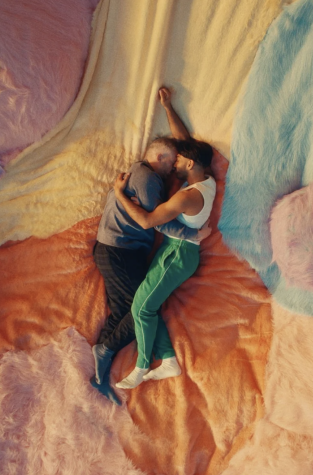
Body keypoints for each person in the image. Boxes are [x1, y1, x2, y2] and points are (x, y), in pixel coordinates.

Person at [91, 87, 209, 405]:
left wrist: (168, 107)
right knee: (140, 309)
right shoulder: (148, 179)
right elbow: (154, 221)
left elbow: (184, 145)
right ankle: (105, 350)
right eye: (171, 165)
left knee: (123, 311)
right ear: (160, 159)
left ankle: (100, 374)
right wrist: (188, 235)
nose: (173, 171)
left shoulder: (143, 171)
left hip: (116, 250)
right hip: (120, 251)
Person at [112, 138, 216, 389]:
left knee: (141, 309)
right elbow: (185, 141)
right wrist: (169, 110)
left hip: (177, 254)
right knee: (149, 306)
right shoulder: (207, 181)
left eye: (179, 160)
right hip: (175, 251)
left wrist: (119, 195)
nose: (174, 164)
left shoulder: (187, 196)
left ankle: (141, 367)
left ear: (190, 163)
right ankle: (168, 360)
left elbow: (147, 222)